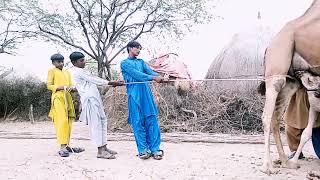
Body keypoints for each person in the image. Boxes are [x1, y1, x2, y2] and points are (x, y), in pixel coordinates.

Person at [69, 51, 124, 159]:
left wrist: (112, 83)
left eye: (84, 59)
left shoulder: (83, 71)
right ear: (74, 62)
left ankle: (104, 147)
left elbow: (94, 81)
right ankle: (100, 151)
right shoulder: (77, 72)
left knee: (103, 121)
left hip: (96, 100)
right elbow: (94, 79)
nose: (84, 62)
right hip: (90, 101)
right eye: (81, 60)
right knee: (97, 124)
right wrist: (111, 83)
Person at [120, 41, 167, 160]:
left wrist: (160, 77)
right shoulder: (124, 63)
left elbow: (149, 72)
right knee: (137, 121)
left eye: (140, 49)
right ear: (130, 48)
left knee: (151, 120)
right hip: (134, 95)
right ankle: (143, 150)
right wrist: (154, 78)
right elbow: (137, 75)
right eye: (137, 48)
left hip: (146, 94)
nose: (139, 50)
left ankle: (155, 149)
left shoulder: (141, 62)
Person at [47, 53, 84, 157]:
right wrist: (61, 87)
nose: (61, 63)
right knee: (62, 121)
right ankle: (62, 148)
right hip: (58, 98)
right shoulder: (51, 71)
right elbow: (49, 86)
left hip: (68, 98)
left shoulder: (67, 72)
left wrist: (72, 87)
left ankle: (67, 146)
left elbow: (71, 84)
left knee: (69, 121)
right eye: (58, 62)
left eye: (62, 61)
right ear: (53, 63)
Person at [284, 84, 320, 159]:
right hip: (299, 93)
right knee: (292, 124)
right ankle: (295, 151)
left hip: (316, 94)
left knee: (317, 126)